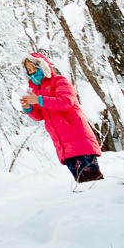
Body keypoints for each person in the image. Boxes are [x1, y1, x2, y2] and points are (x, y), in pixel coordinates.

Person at [20, 51, 105, 182]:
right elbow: (39, 116)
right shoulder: (36, 91)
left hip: (77, 135)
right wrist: (28, 107)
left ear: (42, 67)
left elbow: (66, 102)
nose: (32, 73)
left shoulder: (59, 81)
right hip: (63, 143)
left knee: (93, 180)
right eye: (29, 71)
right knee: (81, 182)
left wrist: (39, 100)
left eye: (34, 69)